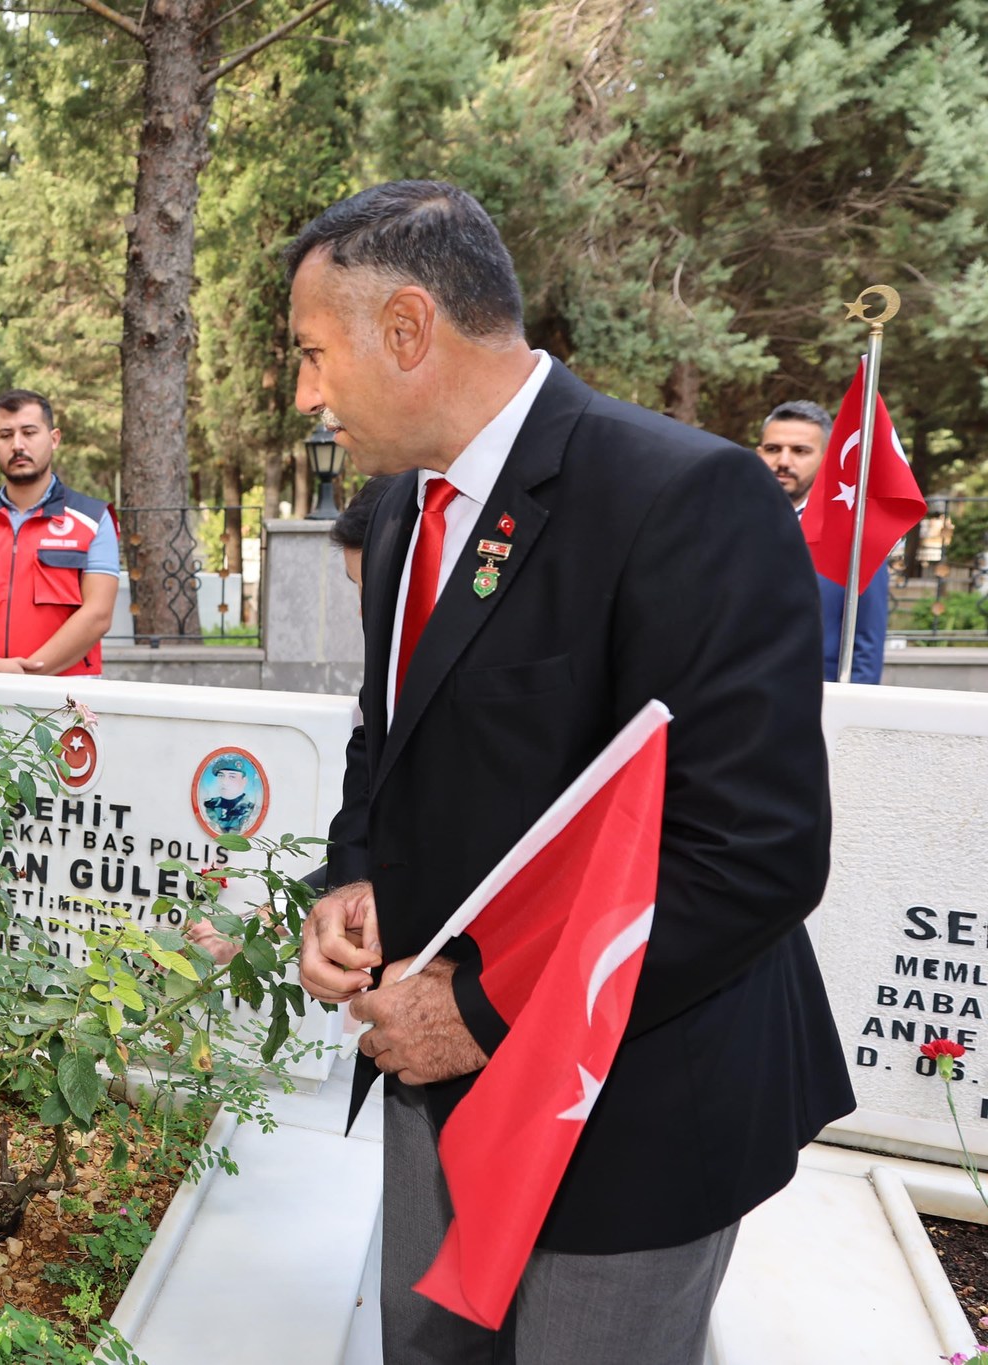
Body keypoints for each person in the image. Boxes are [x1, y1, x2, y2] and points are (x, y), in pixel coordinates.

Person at [286, 181, 850, 1364]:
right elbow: (387, 740)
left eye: (311, 355)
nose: (305, 397)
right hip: (433, 1081)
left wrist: (479, 1012)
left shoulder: (681, 496)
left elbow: (752, 853)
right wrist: (349, 877)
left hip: (627, 1110)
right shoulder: (398, 514)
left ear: (404, 331)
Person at [0, 390, 119, 676]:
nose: (17, 445)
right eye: (6, 435)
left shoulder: (93, 519)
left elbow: (98, 615)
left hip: (64, 699)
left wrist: (27, 676)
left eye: (29, 432)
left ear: (54, 438)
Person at [756, 399, 888, 683]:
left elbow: (866, 646)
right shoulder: (729, 521)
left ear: (826, 457)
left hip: (817, 704)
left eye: (800, 451)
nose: (783, 462)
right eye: (773, 449)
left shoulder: (855, 539)